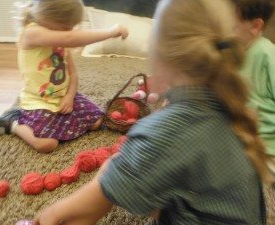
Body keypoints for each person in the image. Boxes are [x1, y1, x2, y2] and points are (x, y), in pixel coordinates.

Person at [33, 0, 270, 224]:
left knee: (109, 177)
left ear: (161, 55)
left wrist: (49, 214)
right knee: (118, 168)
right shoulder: (230, 107)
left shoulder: (164, 133)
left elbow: (91, 196)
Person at [0, 0, 128, 153]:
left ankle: (42, 119)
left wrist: (70, 97)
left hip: (63, 97)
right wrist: (111, 32)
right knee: (47, 144)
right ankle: (13, 124)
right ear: (48, 17)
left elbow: (73, 73)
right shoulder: (31, 33)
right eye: (66, 27)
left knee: (97, 121)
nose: (70, 31)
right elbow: (69, 38)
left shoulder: (59, 41)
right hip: (38, 102)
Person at [231, 0, 275, 179]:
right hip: (237, 137)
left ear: (256, 26)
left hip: (265, 144)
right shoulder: (232, 52)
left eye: (231, 26)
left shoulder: (267, 53)